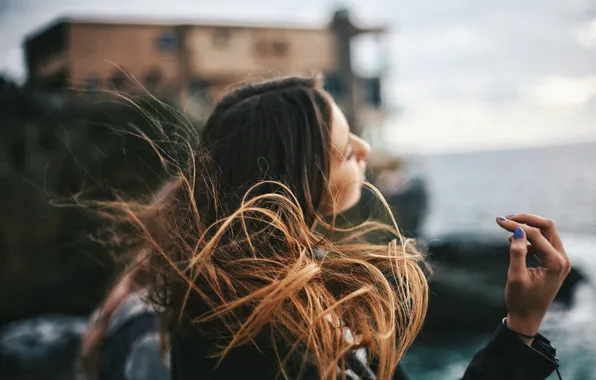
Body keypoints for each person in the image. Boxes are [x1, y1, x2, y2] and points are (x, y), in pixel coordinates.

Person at [92, 76, 570, 379]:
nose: (363, 147)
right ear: (298, 177)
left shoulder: (239, 300)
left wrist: (520, 328)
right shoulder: (270, 338)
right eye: (344, 143)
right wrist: (523, 326)